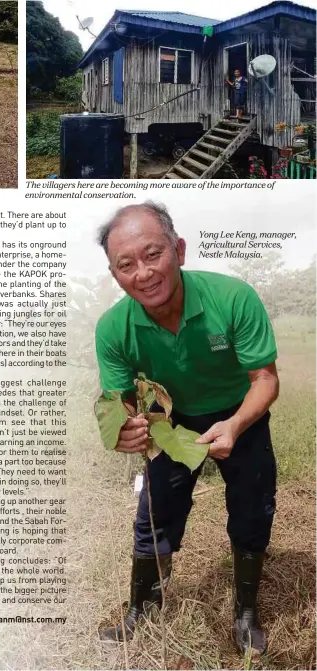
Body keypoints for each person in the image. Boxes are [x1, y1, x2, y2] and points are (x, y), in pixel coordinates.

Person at [94, 202, 278, 657]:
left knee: (252, 508)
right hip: (172, 422)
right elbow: (122, 405)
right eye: (126, 265)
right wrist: (124, 430)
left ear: (178, 250)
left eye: (153, 254)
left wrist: (235, 424)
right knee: (154, 510)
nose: (143, 273)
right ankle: (143, 605)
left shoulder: (232, 298)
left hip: (240, 413)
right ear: (115, 275)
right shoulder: (114, 329)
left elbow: (266, 379)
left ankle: (246, 611)